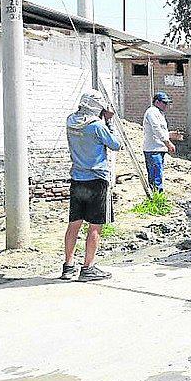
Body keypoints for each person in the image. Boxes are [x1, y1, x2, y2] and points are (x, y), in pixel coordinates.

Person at [61, 89, 123, 282]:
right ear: (97, 108)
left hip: (77, 179)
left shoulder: (70, 121)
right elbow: (115, 145)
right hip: (97, 180)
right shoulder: (97, 126)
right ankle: (88, 267)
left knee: (74, 224)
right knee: (95, 226)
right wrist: (109, 121)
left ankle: (68, 266)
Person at [142, 91, 177, 192]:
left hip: (159, 149)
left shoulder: (159, 113)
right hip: (153, 150)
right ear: (157, 102)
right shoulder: (152, 112)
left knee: (158, 174)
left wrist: (170, 135)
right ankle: (156, 199)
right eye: (164, 103)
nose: (166, 105)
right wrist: (168, 143)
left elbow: (160, 131)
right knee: (156, 176)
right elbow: (156, 129)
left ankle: (158, 198)